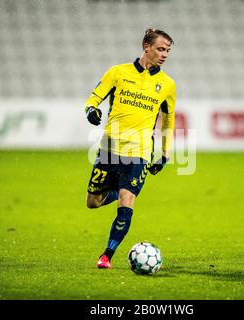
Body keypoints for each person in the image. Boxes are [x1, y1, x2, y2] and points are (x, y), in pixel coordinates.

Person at [84, 28, 176, 269]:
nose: (165, 54)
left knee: (128, 200)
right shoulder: (118, 73)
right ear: (146, 47)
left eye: (168, 50)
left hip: (140, 152)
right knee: (93, 202)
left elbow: (168, 121)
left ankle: (107, 255)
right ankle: (114, 191)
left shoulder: (167, 85)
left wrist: (165, 153)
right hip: (110, 148)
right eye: (161, 49)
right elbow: (94, 97)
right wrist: (91, 110)